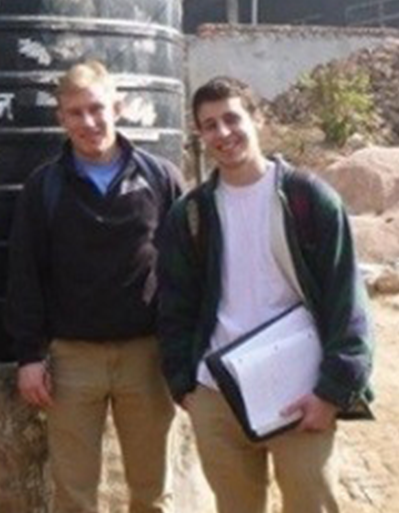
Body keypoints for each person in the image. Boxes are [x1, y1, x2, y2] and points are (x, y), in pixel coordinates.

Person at [157, 76, 374, 513]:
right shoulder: (192, 215)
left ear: (257, 119)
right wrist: (185, 386)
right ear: (200, 135)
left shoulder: (308, 199)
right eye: (210, 124)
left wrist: (333, 390)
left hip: (301, 391)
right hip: (216, 395)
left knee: (310, 503)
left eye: (232, 118)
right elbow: (174, 305)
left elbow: (346, 301)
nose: (223, 133)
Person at [5, 60, 183, 513]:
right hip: (71, 360)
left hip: (147, 356)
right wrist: (29, 355)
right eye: (76, 113)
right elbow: (25, 274)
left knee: (151, 493)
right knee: (74, 495)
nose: (89, 122)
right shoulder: (43, 188)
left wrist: (185, 347)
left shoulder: (160, 177)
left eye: (97, 109)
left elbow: (190, 266)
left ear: (118, 108)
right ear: (60, 119)